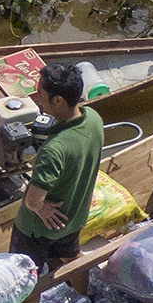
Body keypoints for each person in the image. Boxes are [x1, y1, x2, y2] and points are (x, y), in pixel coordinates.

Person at [13, 63, 104, 270]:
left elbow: (33, 202)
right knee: (72, 259)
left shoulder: (53, 150)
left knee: (26, 276)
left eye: (40, 94)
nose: (36, 98)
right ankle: (87, 295)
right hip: (72, 219)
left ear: (58, 100)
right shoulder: (93, 119)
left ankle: (29, 302)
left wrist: (42, 209)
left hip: (37, 229)